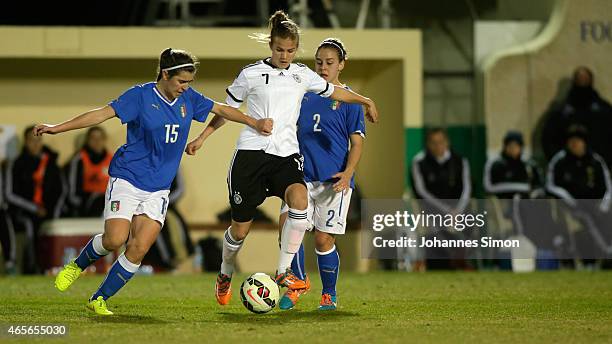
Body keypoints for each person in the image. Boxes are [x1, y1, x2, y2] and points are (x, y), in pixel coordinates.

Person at [36, 48, 273, 315]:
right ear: (164, 74)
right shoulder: (140, 96)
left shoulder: (190, 100)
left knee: (138, 248)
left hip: (158, 188)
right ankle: (76, 266)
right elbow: (101, 114)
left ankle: (99, 298)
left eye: (189, 83)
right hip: (128, 177)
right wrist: (57, 127)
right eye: (181, 81)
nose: (185, 87)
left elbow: (223, 109)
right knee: (115, 240)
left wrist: (254, 122)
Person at [185, 10, 378, 306]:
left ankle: (285, 272)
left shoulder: (303, 75)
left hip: (286, 157)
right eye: (279, 49)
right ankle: (225, 273)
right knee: (240, 230)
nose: (285, 55)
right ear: (271, 46)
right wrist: (202, 137)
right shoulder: (250, 74)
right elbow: (225, 110)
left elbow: (337, 92)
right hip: (250, 157)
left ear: (296, 49)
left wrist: (365, 100)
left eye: (290, 50)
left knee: (298, 201)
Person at [271, 38, 365, 311]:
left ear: (341, 65)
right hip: (299, 177)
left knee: (323, 240)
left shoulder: (349, 100)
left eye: (330, 63)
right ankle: (298, 283)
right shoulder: (304, 94)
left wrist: (348, 173)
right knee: (288, 230)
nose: (323, 68)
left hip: (333, 181)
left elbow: (357, 142)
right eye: (319, 62)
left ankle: (329, 294)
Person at [5, 126, 65, 274]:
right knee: (30, 225)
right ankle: (33, 266)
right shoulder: (16, 164)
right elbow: (9, 194)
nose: (35, 144)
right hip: (24, 211)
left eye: (38, 140)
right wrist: (34, 208)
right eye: (31, 141)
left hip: (49, 210)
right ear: (25, 142)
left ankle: (52, 265)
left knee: (53, 226)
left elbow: (62, 190)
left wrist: (53, 212)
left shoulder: (51, 162)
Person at [546, 125, 612, 259]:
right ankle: (607, 252)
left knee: (604, 217)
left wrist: (604, 206)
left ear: (584, 142)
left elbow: (608, 187)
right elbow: (550, 186)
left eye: (577, 141)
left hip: (597, 205)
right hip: (570, 207)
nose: (574, 144)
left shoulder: (595, 161)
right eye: (571, 141)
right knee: (587, 219)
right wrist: (570, 200)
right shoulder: (559, 161)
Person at [411, 128, 472, 269]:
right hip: (433, 212)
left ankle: (464, 260)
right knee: (434, 230)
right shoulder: (419, 162)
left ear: (447, 142)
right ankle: (444, 261)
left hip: (459, 211)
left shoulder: (460, 161)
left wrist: (457, 211)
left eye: (441, 142)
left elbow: (467, 189)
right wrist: (446, 211)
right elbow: (421, 192)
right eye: (433, 142)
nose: (438, 146)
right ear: (428, 144)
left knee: (472, 221)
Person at [541, 66, 612, 166]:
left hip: (599, 167)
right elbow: (548, 137)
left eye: (585, 78)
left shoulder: (604, 109)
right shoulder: (561, 111)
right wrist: (558, 161)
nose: (582, 80)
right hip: (568, 168)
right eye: (579, 78)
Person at [66, 126, 112, 217]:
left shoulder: (112, 159)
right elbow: (72, 191)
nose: (97, 142)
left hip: (109, 200)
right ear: (87, 140)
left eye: (100, 138)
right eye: (93, 138)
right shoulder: (79, 159)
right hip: (87, 202)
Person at [484, 131, 542, 199]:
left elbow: (538, 186)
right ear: (505, 146)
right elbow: (488, 187)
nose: (513, 149)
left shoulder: (529, 165)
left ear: (521, 147)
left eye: (516, 146)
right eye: (510, 146)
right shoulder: (495, 164)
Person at [0, 162, 17, 275]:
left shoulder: (5, 167)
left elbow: (8, 194)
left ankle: (10, 264)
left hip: (1, 209)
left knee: (6, 232)